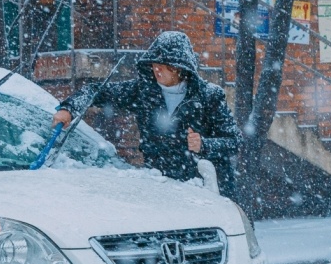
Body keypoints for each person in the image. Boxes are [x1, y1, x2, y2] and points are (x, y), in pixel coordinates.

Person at [52, 31, 242, 198]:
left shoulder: (209, 96)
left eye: (163, 65)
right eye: (154, 64)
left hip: (209, 190)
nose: (156, 69)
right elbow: (97, 91)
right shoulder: (143, 92)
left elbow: (234, 141)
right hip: (162, 188)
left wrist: (204, 145)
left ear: (179, 68)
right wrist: (69, 108)